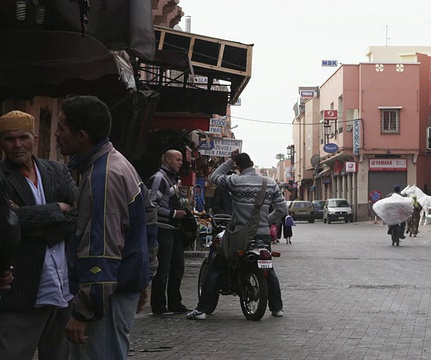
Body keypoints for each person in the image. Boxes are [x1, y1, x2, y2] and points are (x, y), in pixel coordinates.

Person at [55, 95, 158, 360]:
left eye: (61, 128)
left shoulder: (104, 176)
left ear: (81, 135)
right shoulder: (116, 164)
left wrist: (83, 311)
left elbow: (101, 248)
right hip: (118, 289)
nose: (56, 135)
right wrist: (144, 274)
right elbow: (147, 222)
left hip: (106, 297)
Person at [0, 110, 77, 360]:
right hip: (22, 291)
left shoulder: (57, 170)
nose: (17, 145)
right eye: (9, 139)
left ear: (34, 138)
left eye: (23, 137)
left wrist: (31, 222)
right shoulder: (2, 177)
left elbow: (77, 215)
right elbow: (7, 223)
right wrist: (57, 209)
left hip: (62, 288)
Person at [188, 152, 288, 320]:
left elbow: (214, 177)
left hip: (239, 236)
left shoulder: (235, 181)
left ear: (238, 167)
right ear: (252, 163)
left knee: (216, 267)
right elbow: (282, 209)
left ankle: (202, 309)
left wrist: (229, 161)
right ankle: (277, 308)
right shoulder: (270, 183)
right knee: (268, 269)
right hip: (262, 236)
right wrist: (265, 221)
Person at [147, 149, 190, 315]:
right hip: (162, 229)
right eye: (178, 160)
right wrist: (173, 214)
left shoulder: (172, 179)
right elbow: (151, 205)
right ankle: (159, 306)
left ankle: (175, 303)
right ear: (167, 160)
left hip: (174, 230)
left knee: (177, 267)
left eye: (181, 160)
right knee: (163, 268)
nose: (181, 163)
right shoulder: (159, 179)